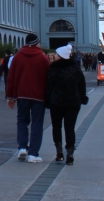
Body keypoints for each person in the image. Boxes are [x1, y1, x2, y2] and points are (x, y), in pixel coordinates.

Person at [6, 33, 51, 164]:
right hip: (39, 96)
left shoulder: (17, 57)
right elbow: (48, 78)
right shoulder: (43, 57)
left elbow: (11, 78)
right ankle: (33, 153)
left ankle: (22, 148)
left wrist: (10, 97)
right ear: (37, 43)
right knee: (37, 124)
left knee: (22, 121)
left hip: (22, 95)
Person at [44, 45, 87, 165]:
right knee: (70, 128)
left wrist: (47, 100)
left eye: (57, 54)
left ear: (60, 55)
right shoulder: (75, 68)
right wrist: (83, 97)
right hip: (73, 102)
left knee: (56, 127)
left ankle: (59, 153)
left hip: (56, 102)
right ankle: (70, 154)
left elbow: (49, 86)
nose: (56, 56)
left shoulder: (53, 68)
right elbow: (82, 84)